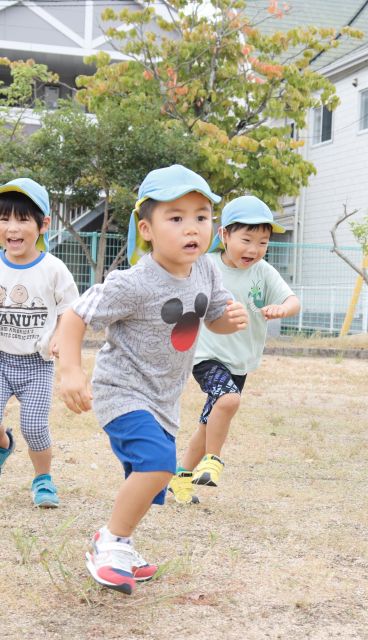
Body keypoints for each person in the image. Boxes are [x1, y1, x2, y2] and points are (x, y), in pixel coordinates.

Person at [56, 165, 249, 595]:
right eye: (175, 218)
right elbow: (75, 315)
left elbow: (213, 318)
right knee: (160, 465)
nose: (192, 228)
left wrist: (228, 320)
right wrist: (71, 370)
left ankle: (122, 544)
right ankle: (109, 542)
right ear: (147, 228)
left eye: (201, 216)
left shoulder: (207, 271)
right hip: (121, 390)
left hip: (163, 396)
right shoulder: (134, 282)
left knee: (152, 479)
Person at [168, 195, 300, 505]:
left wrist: (282, 310)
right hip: (205, 355)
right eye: (247, 239)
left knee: (209, 422)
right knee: (228, 399)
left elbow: (292, 300)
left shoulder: (263, 272)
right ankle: (212, 462)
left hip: (240, 361)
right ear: (223, 235)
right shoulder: (206, 266)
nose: (254, 249)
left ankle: (180, 479)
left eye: (263, 242)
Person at [0, 178, 78, 507]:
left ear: (43, 224)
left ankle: (42, 479)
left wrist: (62, 336)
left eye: (22, 219)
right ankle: (4, 444)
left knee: (34, 428)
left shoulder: (54, 270)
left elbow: (70, 310)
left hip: (36, 364)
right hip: (1, 359)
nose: (12, 228)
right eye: (4, 219)